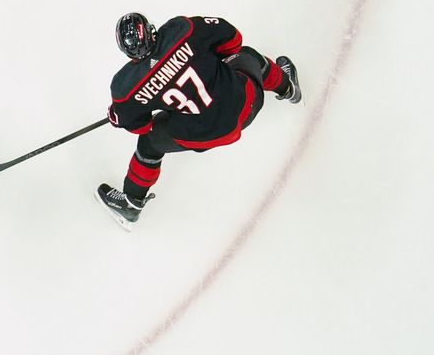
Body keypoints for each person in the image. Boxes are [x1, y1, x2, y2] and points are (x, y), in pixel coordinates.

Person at [95, 13, 302, 230]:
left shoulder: (125, 87)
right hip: (246, 103)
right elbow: (233, 41)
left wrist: (119, 115)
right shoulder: (183, 29)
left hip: (204, 135)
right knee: (247, 55)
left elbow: (139, 125)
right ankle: (288, 87)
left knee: (149, 143)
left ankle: (130, 204)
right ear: (150, 30)